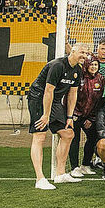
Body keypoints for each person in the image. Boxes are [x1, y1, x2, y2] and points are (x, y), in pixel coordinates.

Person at [27, 43, 85, 190]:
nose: (84, 55)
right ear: (72, 51)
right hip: (39, 98)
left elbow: (73, 94)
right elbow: (48, 91)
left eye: (86, 53)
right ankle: (40, 179)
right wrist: (45, 115)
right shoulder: (57, 65)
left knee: (68, 134)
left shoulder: (77, 70)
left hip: (54, 101)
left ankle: (60, 175)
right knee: (40, 135)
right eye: (82, 52)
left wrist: (70, 117)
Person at [68, 53, 103, 178]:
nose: (93, 67)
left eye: (96, 64)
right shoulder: (79, 76)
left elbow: (98, 100)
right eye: (91, 64)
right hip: (76, 114)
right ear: (86, 65)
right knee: (74, 139)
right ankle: (74, 167)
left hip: (89, 116)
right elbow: (72, 96)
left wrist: (90, 118)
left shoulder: (100, 78)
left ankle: (85, 164)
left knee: (93, 137)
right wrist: (72, 114)